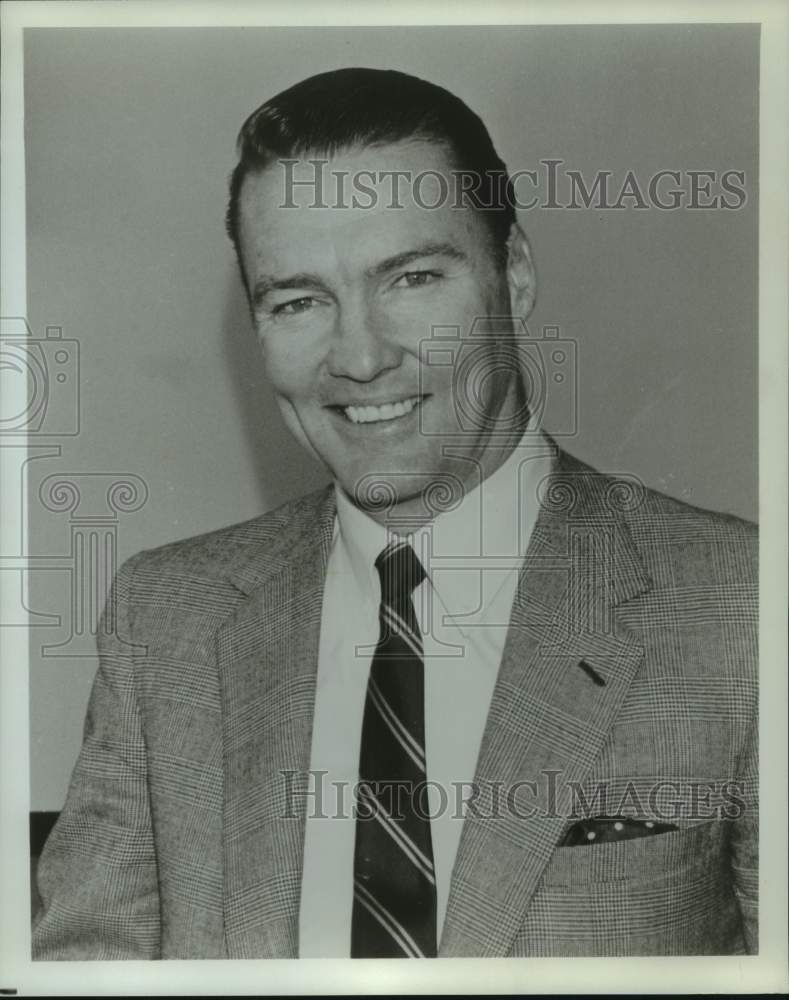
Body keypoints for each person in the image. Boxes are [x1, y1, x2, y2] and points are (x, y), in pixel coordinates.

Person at [32, 67, 757, 959]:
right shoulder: (166, 620)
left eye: (411, 278)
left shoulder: (741, 609)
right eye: (298, 300)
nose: (360, 356)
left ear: (514, 274)